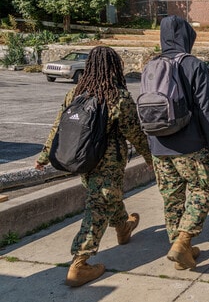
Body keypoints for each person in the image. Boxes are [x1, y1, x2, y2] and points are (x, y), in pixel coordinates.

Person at [36, 46, 152, 287]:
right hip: (108, 163)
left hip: (83, 160)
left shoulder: (75, 93)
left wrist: (45, 155)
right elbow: (136, 133)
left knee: (106, 195)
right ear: (115, 68)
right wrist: (151, 158)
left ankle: (123, 228)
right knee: (99, 204)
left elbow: (58, 126)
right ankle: (80, 262)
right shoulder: (117, 96)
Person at [147, 15, 209, 270]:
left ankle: (182, 251)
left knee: (172, 198)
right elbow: (207, 111)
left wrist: (152, 148)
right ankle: (183, 241)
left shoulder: (151, 65)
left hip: (159, 146)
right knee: (203, 190)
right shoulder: (194, 65)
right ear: (187, 37)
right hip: (191, 146)